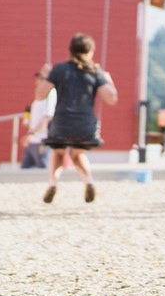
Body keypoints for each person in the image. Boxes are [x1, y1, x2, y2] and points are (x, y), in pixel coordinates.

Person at [39, 33, 118, 204]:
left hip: (61, 124)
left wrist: (46, 76)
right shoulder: (95, 71)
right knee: (77, 153)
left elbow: (39, 95)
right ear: (90, 52)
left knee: (58, 152)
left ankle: (52, 182)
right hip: (85, 127)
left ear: (70, 51)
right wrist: (108, 80)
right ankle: (89, 181)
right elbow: (112, 99)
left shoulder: (59, 69)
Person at [20, 70, 56, 169]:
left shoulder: (51, 94)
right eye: (38, 78)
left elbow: (47, 118)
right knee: (24, 171)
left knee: (43, 170)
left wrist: (30, 133)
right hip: (32, 141)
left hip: (43, 140)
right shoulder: (37, 98)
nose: (38, 81)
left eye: (41, 78)